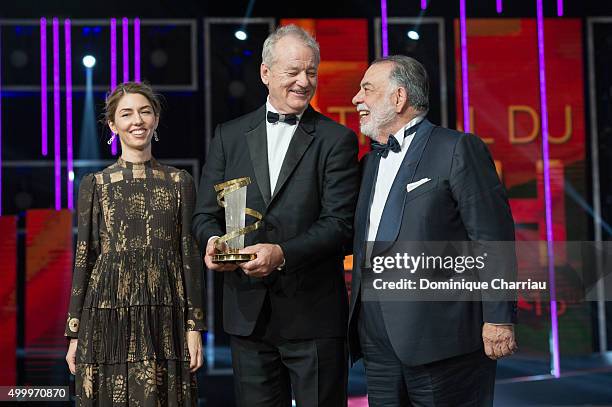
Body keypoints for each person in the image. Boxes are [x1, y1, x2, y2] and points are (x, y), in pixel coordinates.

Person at [192, 25, 359, 407]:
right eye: (293, 72)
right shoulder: (228, 136)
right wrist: (213, 241)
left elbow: (339, 225)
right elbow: (205, 214)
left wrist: (280, 254)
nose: (304, 82)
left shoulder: (337, 140)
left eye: (311, 72)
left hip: (313, 316)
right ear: (266, 73)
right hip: (247, 318)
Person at [348, 56, 518, 406]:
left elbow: (493, 239)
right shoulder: (368, 164)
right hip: (377, 344)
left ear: (398, 98)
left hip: (444, 342)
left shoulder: (456, 148)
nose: (356, 99)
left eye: (367, 89)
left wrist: (499, 319)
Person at [64, 82, 205, 406]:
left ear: (155, 119)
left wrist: (195, 326)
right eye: (126, 114)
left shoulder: (179, 182)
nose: (137, 120)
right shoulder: (95, 185)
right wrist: (74, 332)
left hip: (165, 314)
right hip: (107, 314)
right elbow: (84, 258)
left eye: (144, 111)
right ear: (113, 125)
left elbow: (190, 256)